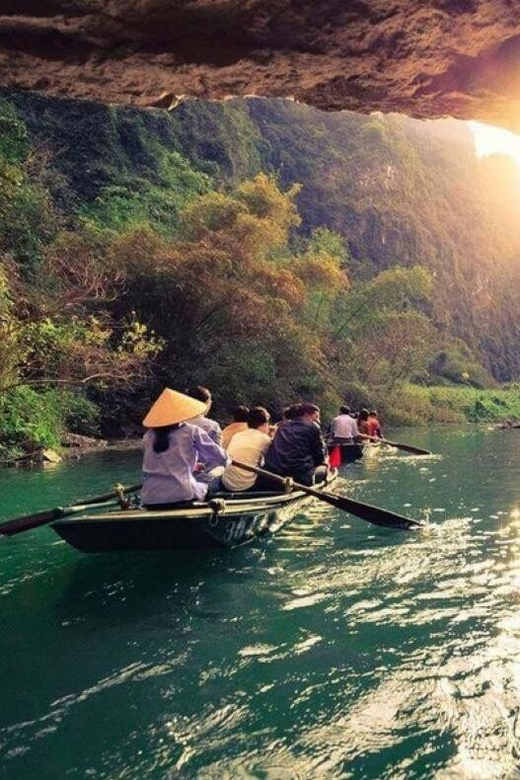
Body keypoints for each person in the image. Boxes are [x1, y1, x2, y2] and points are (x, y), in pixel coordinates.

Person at [141, 388, 229, 507]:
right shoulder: (191, 431)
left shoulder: (148, 435)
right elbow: (220, 457)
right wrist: (229, 460)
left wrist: (192, 466)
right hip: (182, 494)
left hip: (149, 497)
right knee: (208, 481)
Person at [262, 402, 328, 486]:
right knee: (324, 467)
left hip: (274, 473)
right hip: (298, 476)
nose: (318, 421)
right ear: (306, 414)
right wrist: (325, 462)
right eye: (316, 416)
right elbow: (319, 458)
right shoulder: (313, 427)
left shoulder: (281, 425)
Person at [221, 407, 272, 492]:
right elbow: (271, 462)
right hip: (246, 486)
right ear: (265, 424)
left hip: (226, 482)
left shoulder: (237, 435)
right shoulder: (265, 439)